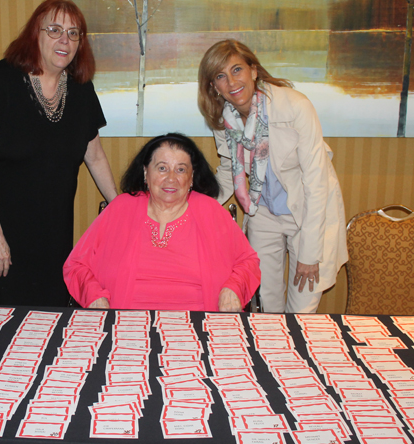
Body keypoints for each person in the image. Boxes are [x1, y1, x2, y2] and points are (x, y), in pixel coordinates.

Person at [0, 0, 117, 307]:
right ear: (36, 33)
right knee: (2, 322)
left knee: (49, 317)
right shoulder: (3, 80)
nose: (65, 40)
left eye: (74, 33)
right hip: (2, 230)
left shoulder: (80, 88)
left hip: (53, 233)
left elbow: (95, 156)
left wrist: (121, 208)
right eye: (55, 29)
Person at [198, 39, 348, 314]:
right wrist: (192, 206)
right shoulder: (225, 120)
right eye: (220, 76)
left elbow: (317, 183)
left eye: (237, 70)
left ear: (253, 70)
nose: (231, 82)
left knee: (301, 312)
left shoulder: (295, 106)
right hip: (263, 213)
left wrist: (310, 254)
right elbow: (230, 174)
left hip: (306, 214)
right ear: (213, 86)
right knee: (265, 307)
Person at [64, 133, 260, 311]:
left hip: (199, 323)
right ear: (145, 173)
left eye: (181, 170)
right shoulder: (121, 208)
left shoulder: (211, 211)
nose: (171, 178)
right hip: (126, 324)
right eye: (162, 168)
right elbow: (76, 265)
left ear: (191, 178)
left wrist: (233, 289)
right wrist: (94, 296)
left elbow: (248, 262)